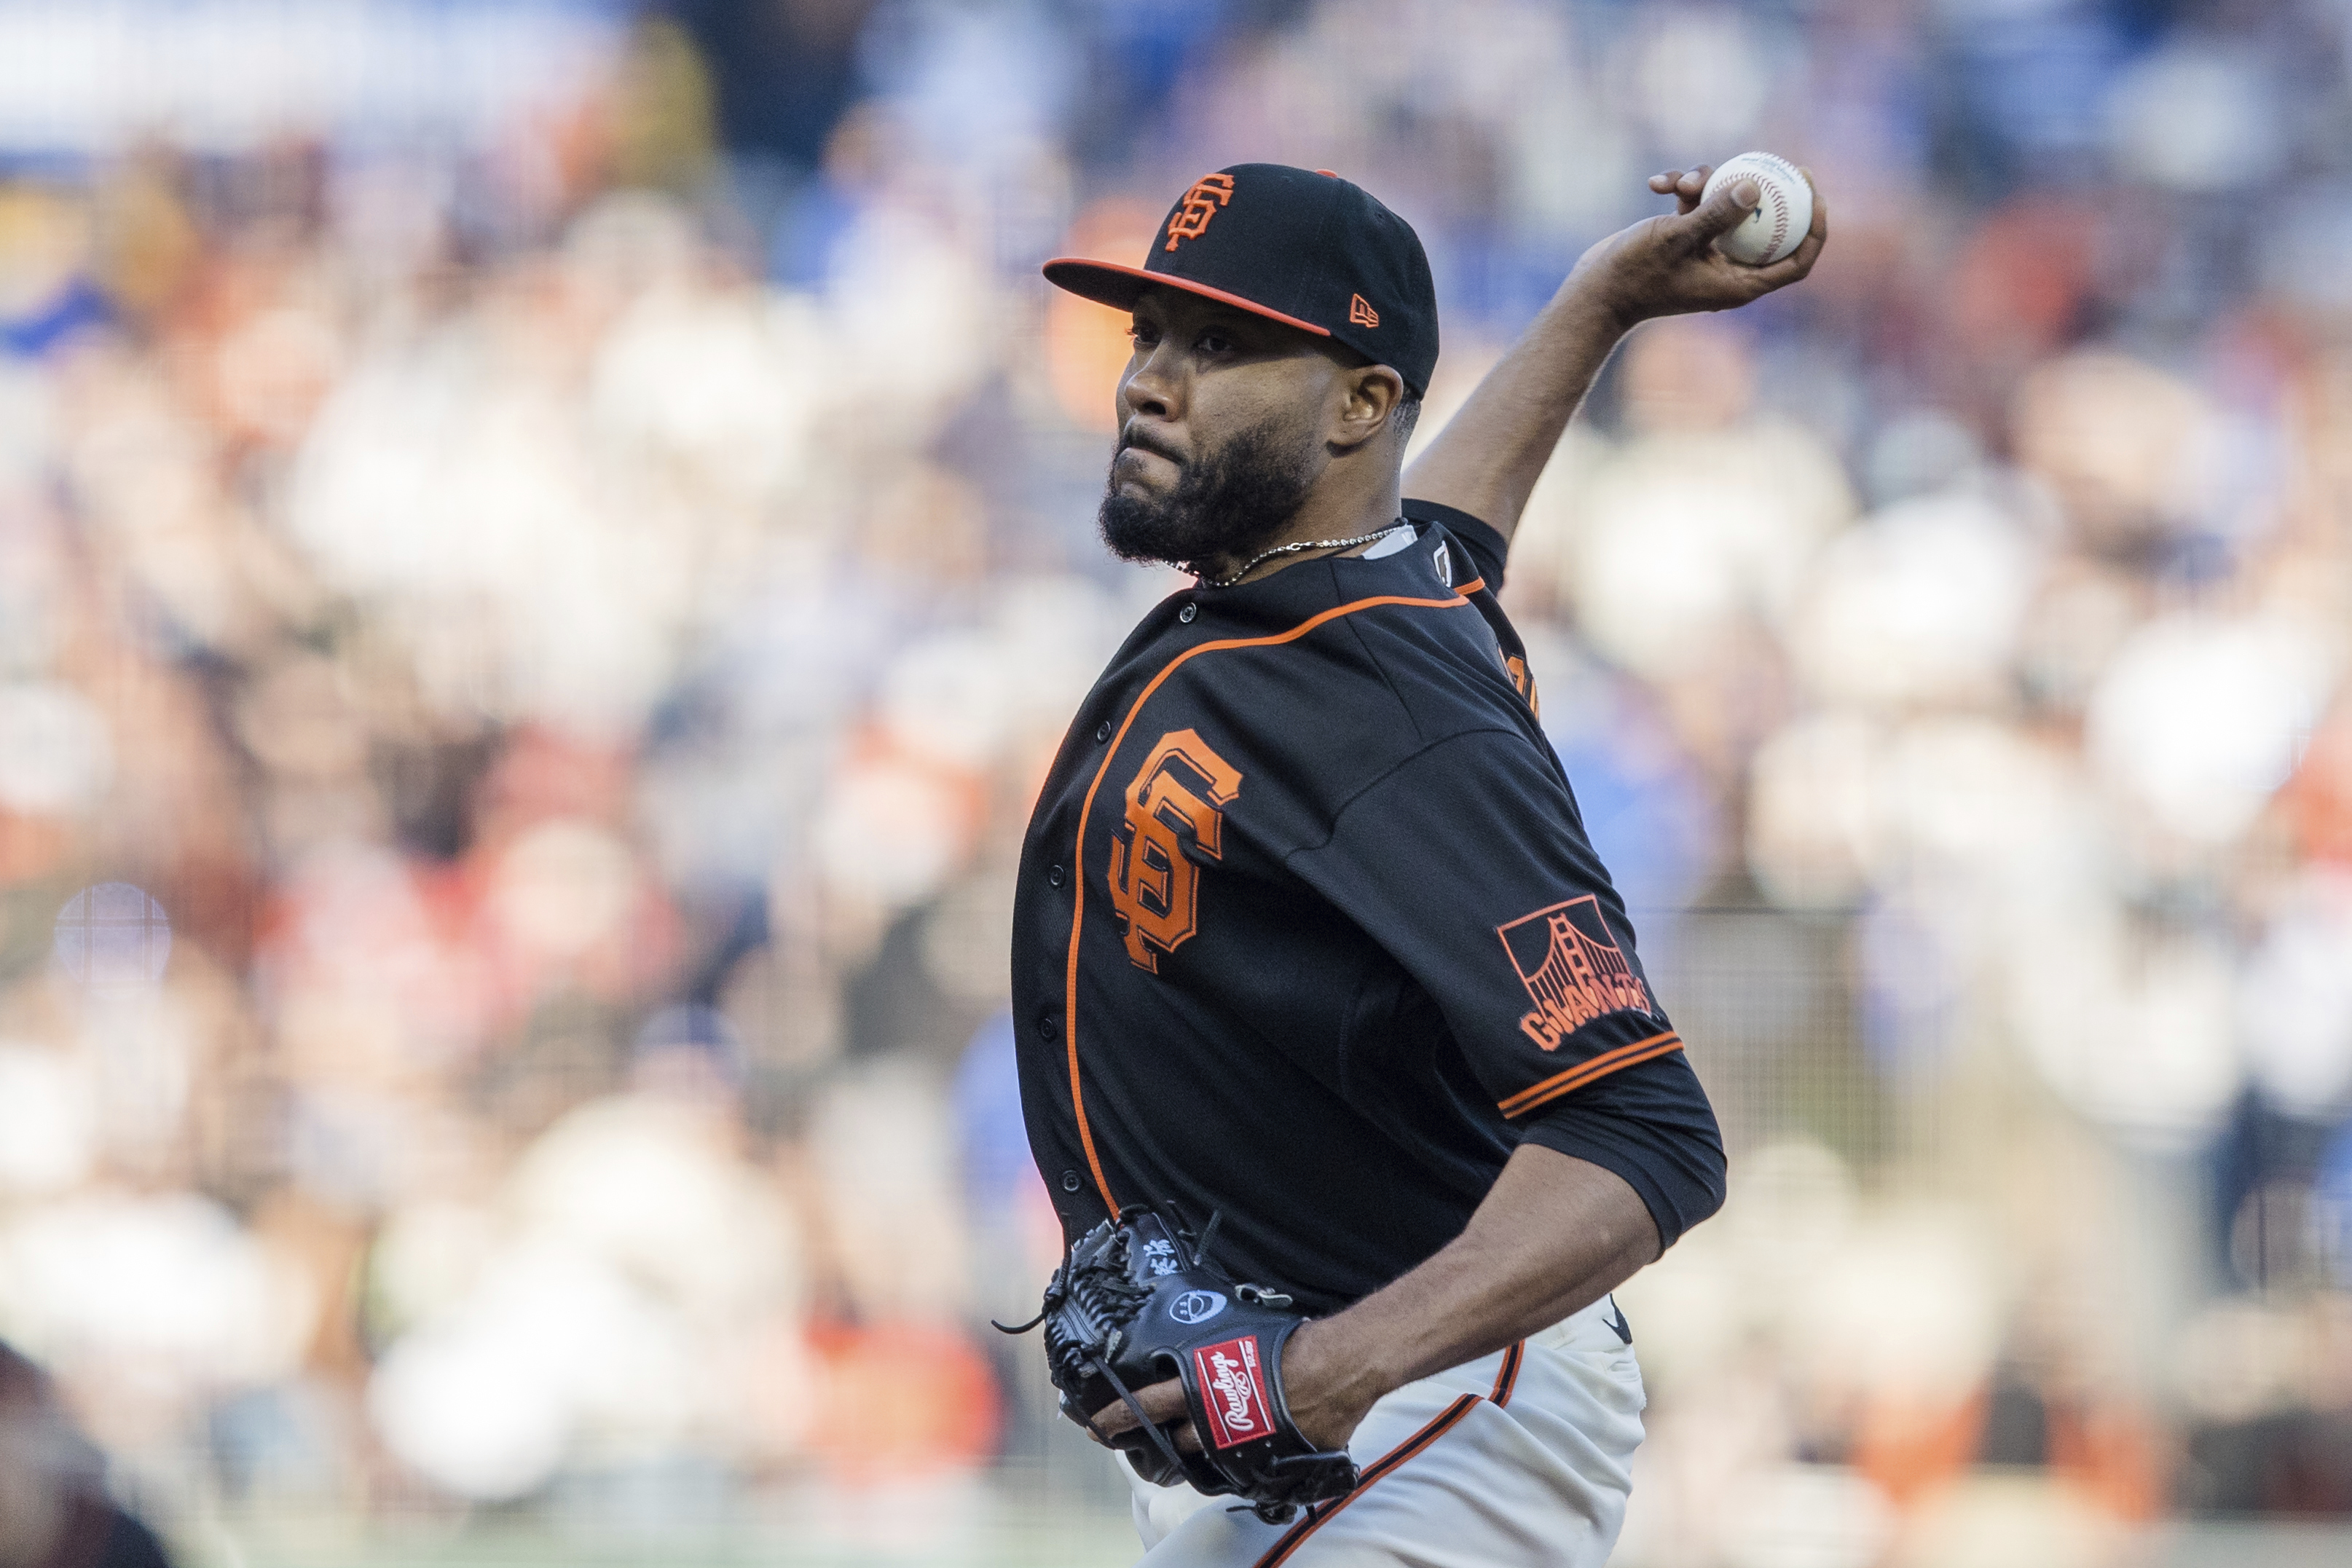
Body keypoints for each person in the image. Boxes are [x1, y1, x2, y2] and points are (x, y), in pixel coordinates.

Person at [1010, 162, 1825, 1565]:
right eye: (1148, 334)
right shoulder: (1344, 581)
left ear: (1361, 403)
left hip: (1423, 1400)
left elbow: (1642, 1137)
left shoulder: (1400, 717)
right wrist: (1599, 304)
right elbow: (1442, 529)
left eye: (1220, 344)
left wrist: (1331, 1370)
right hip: (1350, 1402)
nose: (1151, 379)